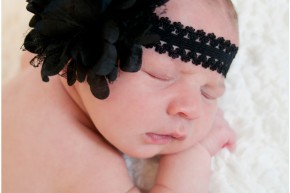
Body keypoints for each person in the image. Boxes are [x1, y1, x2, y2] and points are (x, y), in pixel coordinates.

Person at [2, 0, 239, 192]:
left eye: (209, 92)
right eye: (160, 75)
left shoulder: (40, 74)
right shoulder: (77, 157)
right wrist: (196, 155)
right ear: (84, 55)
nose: (191, 108)